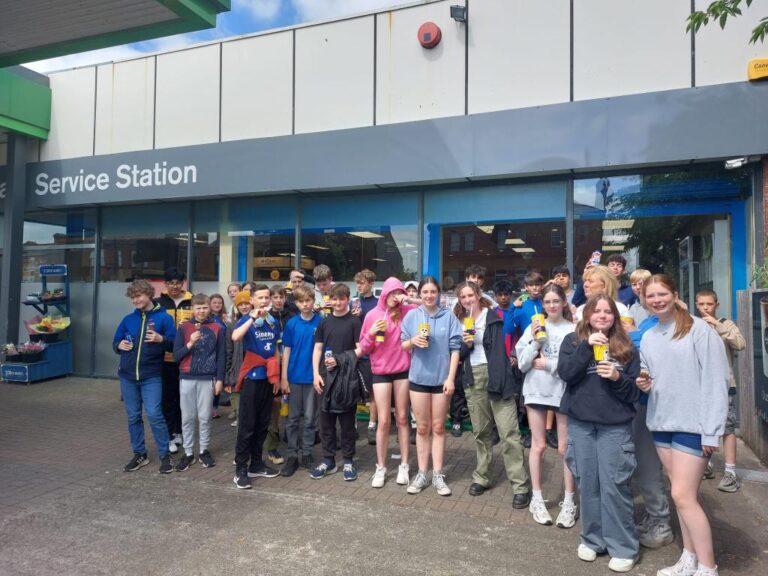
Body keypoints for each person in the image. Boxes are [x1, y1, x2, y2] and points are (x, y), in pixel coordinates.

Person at [638, 275, 730, 576]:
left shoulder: (699, 330)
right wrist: (644, 382)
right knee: (681, 495)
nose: (657, 300)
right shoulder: (650, 336)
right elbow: (650, 375)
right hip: (662, 422)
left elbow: (716, 380)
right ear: (644, 300)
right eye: (650, 296)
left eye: (662, 294)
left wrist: (712, 430)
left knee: (682, 495)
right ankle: (689, 558)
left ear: (675, 294)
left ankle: (707, 567)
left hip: (694, 424)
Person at [558, 294, 641, 573]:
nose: (602, 316)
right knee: (588, 483)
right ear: (587, 315)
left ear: (614, 316)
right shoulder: (573, 341)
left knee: (615, 485)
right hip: (581, 424)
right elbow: (566, 374)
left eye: (607, 311)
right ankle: (593, 540)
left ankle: (623, 547)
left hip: (614, 426)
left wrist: (617, 378)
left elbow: (634, 393)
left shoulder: (626, 346)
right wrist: (586, 347)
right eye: (597, 311)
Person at [455, 281, 530, 506]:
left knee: (509, 433)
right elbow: (458, 355)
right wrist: (466, 344)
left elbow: (503, 347)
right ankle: (482, 476)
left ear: (478, 295)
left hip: (497, 374)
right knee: (481, 431)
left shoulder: (493, 317)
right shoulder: (460, 321)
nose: (467, 300)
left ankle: (520, 484)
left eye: (470, 295)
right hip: (473, 376)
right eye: (463, 297)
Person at [516, 284, 577, 527]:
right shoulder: (533, 327)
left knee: (564, 448)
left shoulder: (573, 329)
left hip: (562, 392)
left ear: (563, 302)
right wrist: (534, 342)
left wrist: (549, 364)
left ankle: (569, 500)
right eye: (548, 301)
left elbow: (575, 367)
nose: (552, 305)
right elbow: (522, 364)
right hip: (536, 390)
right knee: (538, 445)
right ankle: (537, 498)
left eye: (556, 301)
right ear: (543, 304)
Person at [401, 276, 462, 496]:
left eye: (432, 291)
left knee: (438, 427)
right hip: (418, 379)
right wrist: (413, 341)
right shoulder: (412, 316)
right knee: (422, 428)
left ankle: (437, 474)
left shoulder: (449, 316)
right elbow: (403, 345)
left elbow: (455, 349)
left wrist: (451, 378)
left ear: (438, 293)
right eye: (425, 292)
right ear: (419, 294)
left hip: (441, 380)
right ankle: (422, 473)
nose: (429, 295)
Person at [113, 280, 177, 474]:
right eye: (132, 297)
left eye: (138, 296)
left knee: (155, 414)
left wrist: (161, 339)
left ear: (148, 294)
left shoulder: (164, 318)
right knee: (133, 416)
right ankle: (140, 454)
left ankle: (165, 455)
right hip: (128, 376)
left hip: (151, 376)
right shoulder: (128, 319)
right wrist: (118, 345)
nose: (135, 300)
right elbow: (116, 341)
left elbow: (175, 344)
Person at [359, 277, 417, 488]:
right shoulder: (372, 315)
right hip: (381, 371)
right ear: (384, 293)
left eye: (398, 292)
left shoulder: (407, 311)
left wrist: (409, 299)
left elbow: (430, 304)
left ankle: (404, 465)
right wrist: (372, 333)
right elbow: (364, 348)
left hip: (402, 370)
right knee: (383, 420)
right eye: (392, 292)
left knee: (402, 418)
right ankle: (381, 467)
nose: (395, 296)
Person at [694, 288, 746, 493]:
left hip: (724, 384)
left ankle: (730, 472)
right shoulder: (693, 324)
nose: (705, 308)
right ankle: (705, 464)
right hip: (698, 384)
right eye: (701, 304)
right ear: (696, 305)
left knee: (727, 427)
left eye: (709, 304)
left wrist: (717, 325)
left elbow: (740, 344)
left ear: (717, 305)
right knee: (700, 425)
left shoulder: (726, 323)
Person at [231, 284, 282, 489]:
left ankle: (257, 464)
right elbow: (235, 337)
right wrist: (252, 317)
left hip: (268, 378)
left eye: (266, 297)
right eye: (260, 297)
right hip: (252, 377)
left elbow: (275, 350)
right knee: (247, 425)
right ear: (252, 300)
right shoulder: (246, 320)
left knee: (262, 424)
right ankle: (240, 469)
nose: (264, 301)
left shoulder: (273, 322)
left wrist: (277, 377)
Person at [311, 283, 363, 481]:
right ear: (329, 300)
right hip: (325, 376)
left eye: (342, 299)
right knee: (326, 421)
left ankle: (348, 460)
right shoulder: (324, 322)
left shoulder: (354, 322)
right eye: (335, 299)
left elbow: (360, 349)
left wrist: (340, 359)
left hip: (347, 377)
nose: (338, 303)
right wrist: (315, 374)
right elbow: (317, 349)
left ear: (348, 299)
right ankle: (328, 460)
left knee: (347, 422)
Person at [172, 293, 226, 471]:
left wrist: (220, 379)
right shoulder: (184, 327)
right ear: (192, 309)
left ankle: (203, 450)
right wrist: (190, 343)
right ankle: (188, 452)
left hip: (207, 378)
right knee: (187, 417)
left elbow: (221, 356)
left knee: (204, 417)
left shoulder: (217, 328)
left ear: (209, 308)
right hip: (187, 377)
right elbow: (176, 356)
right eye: (198, 308)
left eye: (204, 307)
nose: (201, 311)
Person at [279, 285, 323, 476]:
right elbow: (286, 351)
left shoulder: (320, 322)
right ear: (296, 303)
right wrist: (284, 377)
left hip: (313, 377)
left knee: (311, 418)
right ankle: (292, 455)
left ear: (313, 301)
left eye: (308, 300)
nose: (305, 304)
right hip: (294, 376)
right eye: (301, 301)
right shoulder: (291, 324)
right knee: (292, 418)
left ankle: (307, 453)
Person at [155, 267, 194, 455]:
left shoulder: (192, 301)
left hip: (186, 358)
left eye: (178, 283)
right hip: (164, 359)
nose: (174, 286)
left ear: (183, 283)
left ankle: (180, 431)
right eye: (171, 283)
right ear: (165, 284)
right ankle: (170, 433)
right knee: (166, 398)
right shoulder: (158, 303)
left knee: (183, 398)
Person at [262, 284, 295, 466]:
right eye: (275, 297)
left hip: (290, 366)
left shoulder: (292, 316)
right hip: (273, 367)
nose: (278, 300)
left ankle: (291, 437)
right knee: (274, 405)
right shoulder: (266, 318)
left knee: (291, 403)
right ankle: (272, 444)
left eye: (281, 297)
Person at [353, 269, 379, 444]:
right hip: (354, 352)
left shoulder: (377, 304)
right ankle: (352, 425)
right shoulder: (353, 303)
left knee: (372, 392)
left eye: (362, 283)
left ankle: (372, 424)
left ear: (371, 284)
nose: (359, 286)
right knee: (352, 391)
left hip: (371, 354)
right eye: (357, 283)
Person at [574, 266, 633, 332]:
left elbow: (626, 334)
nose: (585, 285)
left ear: (605, 286)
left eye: (590, 281)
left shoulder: (620, 309)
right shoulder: (580, 309)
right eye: (585, 281)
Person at [224, 291, 252, 426]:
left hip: (253, 367)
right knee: (240, 407)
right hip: (238, 368)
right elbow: (229, 352)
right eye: (241, 304)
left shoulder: (257, 323)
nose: (244, 307)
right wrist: (228, 375)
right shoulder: (232, 326)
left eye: (246, 303)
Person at [208, 292, 228, 418]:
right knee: (211, 381)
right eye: (214, 302)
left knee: (218, 380)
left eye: (219, 303)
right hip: (211, 353)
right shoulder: (207, 318)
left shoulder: (223, 318)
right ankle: (208, 407)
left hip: (222, 352)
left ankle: (214, 407)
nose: (217, 305)